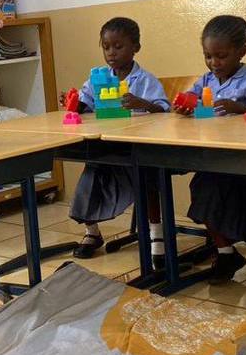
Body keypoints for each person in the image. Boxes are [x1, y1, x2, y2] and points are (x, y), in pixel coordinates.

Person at [64, 17, 170, 260]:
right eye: (106, 47)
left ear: (136, 47)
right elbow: (84, 104)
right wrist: (73, 103)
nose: (111, 52)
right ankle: (92, 232)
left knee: (148, 178)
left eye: (118, 46)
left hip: (138, 148)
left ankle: (156, 234)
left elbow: (164, 110)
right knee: (90, 174)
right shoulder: (97, 78)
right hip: (105, 145)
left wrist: (143, 103)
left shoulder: (145, 80)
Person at [182, 15, 246, 284]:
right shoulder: (207, 80)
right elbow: (192, 97)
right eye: (208, 56)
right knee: (202, 189)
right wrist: (186, 103)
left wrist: (240, 108)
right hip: (215, 157)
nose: (214, 63)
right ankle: (225, 251)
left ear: (241, 52)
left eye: (221, 56)